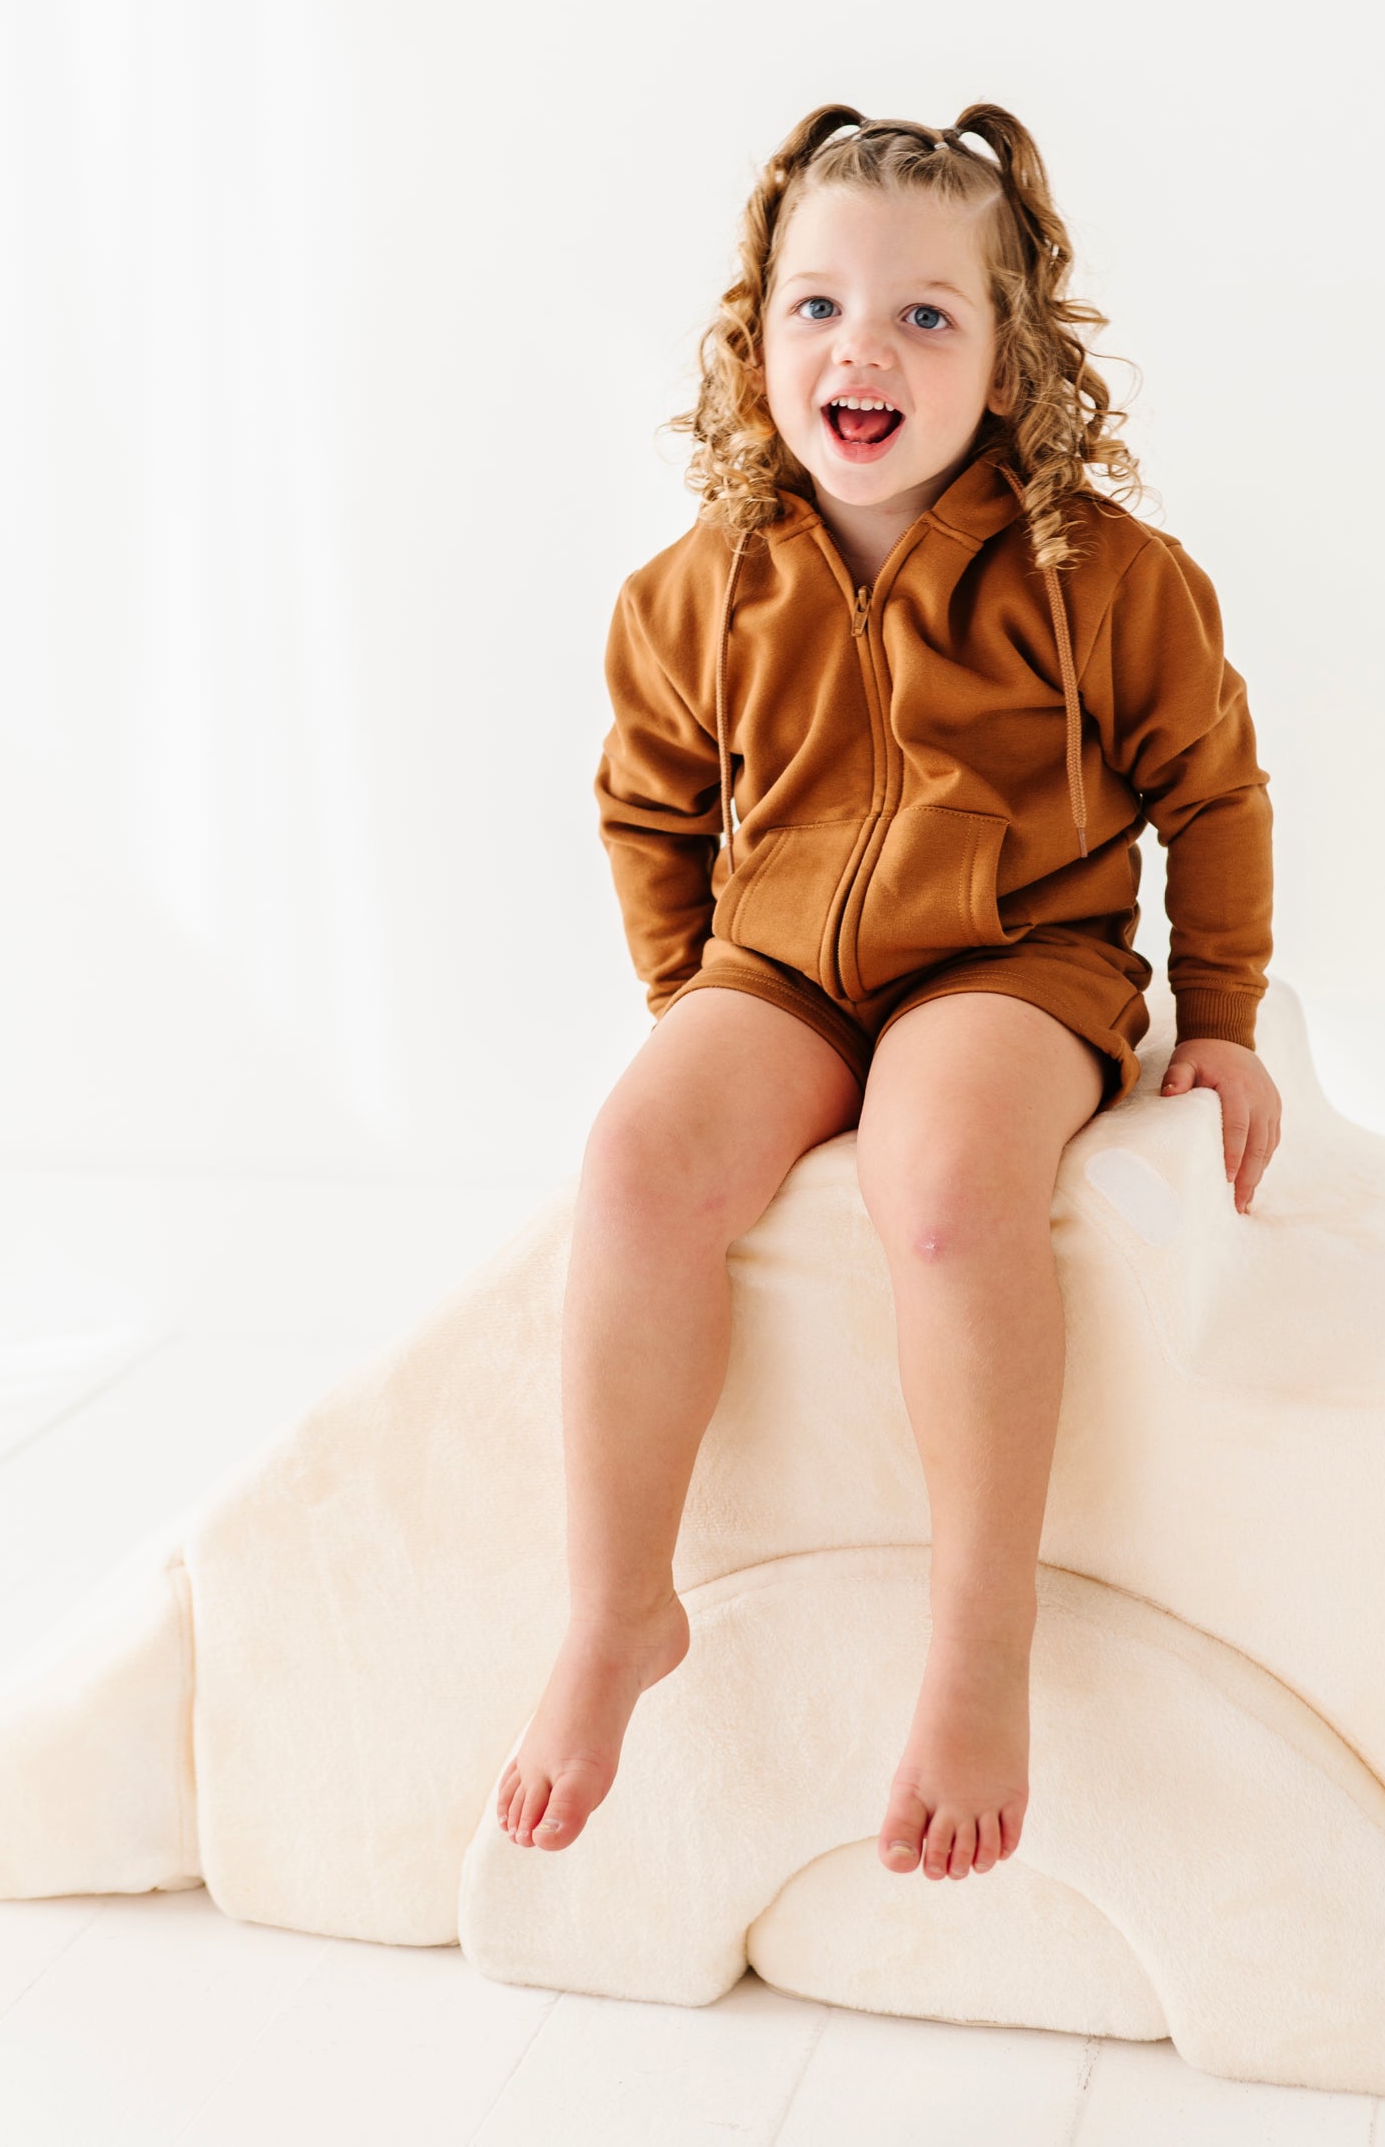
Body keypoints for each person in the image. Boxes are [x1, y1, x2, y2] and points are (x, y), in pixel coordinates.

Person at [494, 103, 1280, 1885]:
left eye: (927, 315)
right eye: (819, 306)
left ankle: (979, 1638)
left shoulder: (1102, 578)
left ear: (1009, 360)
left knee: (939, 1183)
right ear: (756, 337)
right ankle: (617, 1609)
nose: (863, 348)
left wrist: (1221, 1017)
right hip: (782, 960)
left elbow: (1212, 792)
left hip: (1017, 958)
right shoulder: (694, 589)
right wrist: (693, 1008)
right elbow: (649, 807)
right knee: (635, 1160)